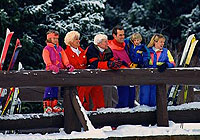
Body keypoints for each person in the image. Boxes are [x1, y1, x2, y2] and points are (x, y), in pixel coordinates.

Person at [85, 33, 122, 110]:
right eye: (105, 41)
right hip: (88, 76)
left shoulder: (108, 50)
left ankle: (100, 111)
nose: (107, 43)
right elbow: (94, 63)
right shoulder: (91, 49)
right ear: (99, 43)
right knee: (86, 96)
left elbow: (111, 61)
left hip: (100, 78)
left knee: (99, 97)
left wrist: (115, 65)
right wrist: (108, 64)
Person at [42, 30, 74, 113]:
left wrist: (68, 65)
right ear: (49, 39)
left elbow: (64, 58)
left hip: (59, 71)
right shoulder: (47, 49)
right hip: (50, 72)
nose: (56, 40)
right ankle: (47, 105)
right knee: (49, 88)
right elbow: (46, 59)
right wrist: (50, 65)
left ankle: (54, 104)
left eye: (57, 38)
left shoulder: (60, 49)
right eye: (54, 38)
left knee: (56, 88)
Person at [140, 34, 175, 107]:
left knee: (155, 101)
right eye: (161, 42)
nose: (162, 44)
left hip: (159, 80)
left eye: (163, 42)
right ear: (155, 42)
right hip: (146, 79)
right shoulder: (147, 51)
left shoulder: (166, 52)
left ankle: (155, 117)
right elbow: (141, 63)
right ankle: (143, 116)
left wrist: (166, 65)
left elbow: (172, 63)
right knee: (144, 100)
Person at [108, 25, 135, 108]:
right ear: (114, 35)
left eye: (123, 34)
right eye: (120, 35)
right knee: (123, 102)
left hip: (131, 75)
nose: (122, 37)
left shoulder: (126, 45)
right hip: (120, 77)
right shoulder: (110, 47)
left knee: (131, 101)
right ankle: (119, 119)